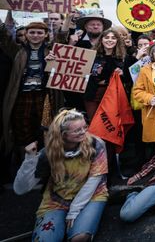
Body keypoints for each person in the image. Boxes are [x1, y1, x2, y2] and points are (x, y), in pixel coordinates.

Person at [14, 109, 109, 242]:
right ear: (63, 134)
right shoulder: (48, 153)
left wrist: (74, 210)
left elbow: (95, 180)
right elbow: (20, 189)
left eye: (84, 127)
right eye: (77, 130)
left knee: (79, 238)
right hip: (57, 200)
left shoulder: (96, 144)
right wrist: (30, 159)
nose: (83, 132)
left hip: (91, 196)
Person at [0, 20, 63, 157]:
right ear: (26, 34)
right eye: (32, 32)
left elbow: (62, 38)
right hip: (21, 97)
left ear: (46, 35)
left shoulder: (52, 50)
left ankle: (43, 165)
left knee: (44, 130)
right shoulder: (16, 50)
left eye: (39, 32)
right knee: (22, 132)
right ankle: (23, 164)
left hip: (44, 96)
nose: (35, 35)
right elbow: (4, 36)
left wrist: (68, 17)